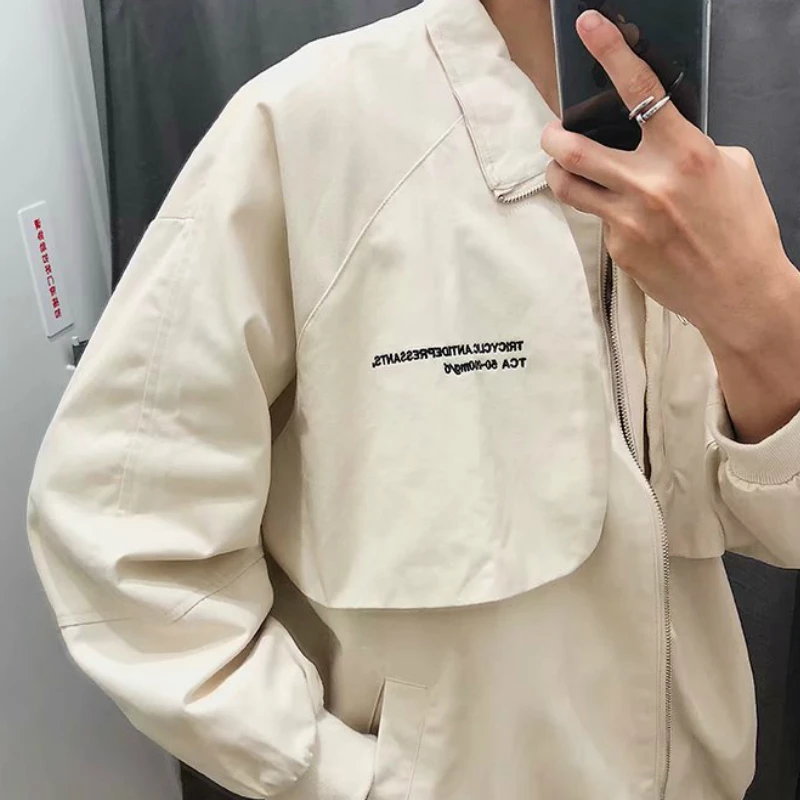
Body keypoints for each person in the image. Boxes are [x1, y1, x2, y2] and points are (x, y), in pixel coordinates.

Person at [27, 0, 800, 798]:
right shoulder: (313, 128)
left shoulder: (701, 163)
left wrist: (765, 308)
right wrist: (346, 780)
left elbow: (777, 522)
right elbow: (117, 527)